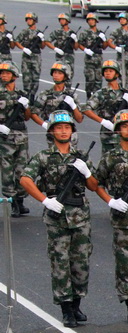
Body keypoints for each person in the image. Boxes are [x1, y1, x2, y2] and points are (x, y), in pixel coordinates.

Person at [20, 110, 111, 327]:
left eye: (67, 127)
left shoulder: (81, 156)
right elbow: (25, 179)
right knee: (60, 262)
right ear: (51, 132)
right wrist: (44, 200)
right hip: (57, 215)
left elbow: (94, 186)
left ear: (72, 130)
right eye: (59, 128)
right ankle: (66, 308)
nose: (63, 131)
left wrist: (86, 172)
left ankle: (77, 304)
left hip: (80, 214)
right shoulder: (43, 157)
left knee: (81, 261)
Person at [95, 109, 128, 324]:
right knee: (125, 264)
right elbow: (97, 183)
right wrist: (109, 200)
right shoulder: (110, 158)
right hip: (123, 219)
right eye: (124, 126)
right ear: (118, 130)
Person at [81, 60, 128, 154]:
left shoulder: (124, 92)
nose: (107, 73)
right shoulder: (101, 93)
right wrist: (103, 121)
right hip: (108, 135)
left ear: (116, 74)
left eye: (110, 71)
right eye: (106, 71)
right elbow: (86, 109)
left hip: (124, 133)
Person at [0, 61, 33, 217]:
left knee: (22, 169)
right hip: (4, 138)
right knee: (7, 171)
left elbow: (27, 117)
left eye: (7, 73)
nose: (4, 76)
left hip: (21, 136)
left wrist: (26, 106)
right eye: (2, 73)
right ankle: (11, 202)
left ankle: (20, 200)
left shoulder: (21, 94)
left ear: (14, 76)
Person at [31, 62, 83, 133]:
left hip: (68, 131)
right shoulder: (45, 94)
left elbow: (79, 119)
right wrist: (44, 124)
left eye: (59, 73)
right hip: (52, 131)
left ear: (65, 76)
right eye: (55, 72)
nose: (56, 75)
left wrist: (73, 106)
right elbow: (33, 113)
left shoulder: (72, 95)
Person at [77, 13, 107, 97]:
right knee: (90, 79)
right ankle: (89, 97)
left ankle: (97, 99)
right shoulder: (84, 33)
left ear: (96, 21)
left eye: (92, 20)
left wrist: (104, 39)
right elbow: (79, 44)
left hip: (99, 59)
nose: (91, 22)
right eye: (89, 20)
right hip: (89, 59)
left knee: (98, 80)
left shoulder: (100, 33)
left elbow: (104, 47)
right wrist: (85, 50)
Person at [14, 12, 43, 99]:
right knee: (26, 78)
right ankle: (26, 96)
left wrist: (42, 39)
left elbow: (43, 46)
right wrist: (23, 49)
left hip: (36, 56)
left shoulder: (39, 33)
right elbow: (16, 41)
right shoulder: (25, 32)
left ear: (35, 20)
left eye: (30, 19)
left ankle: (32, 96)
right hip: (26, 56)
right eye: (27, 19)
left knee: (35, 77)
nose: (28, 21)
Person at [108, 12, 128, 90]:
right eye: (120, 19)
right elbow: (109, 41)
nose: (122, 21)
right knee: (120, 76)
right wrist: (116, 48)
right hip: (121, 57)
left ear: (127, 20)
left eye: (123, 19)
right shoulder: (117, 31)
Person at [45, 13, 77, 82]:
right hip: (60, 56)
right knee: (59, 73)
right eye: (60, 20)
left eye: (63, 19)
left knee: (69, 75)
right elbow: (47, 41)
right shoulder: (57, 32)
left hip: (69, 56)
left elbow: (76, 47)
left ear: (67, 20)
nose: (61, 21)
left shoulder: (72, 33)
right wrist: (55, 49)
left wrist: (76, 40)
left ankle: (67, 90)